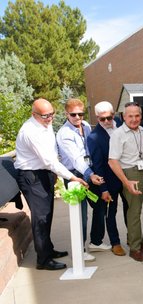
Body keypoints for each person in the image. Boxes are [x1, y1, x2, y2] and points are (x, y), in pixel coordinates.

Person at [14, 98, 88, 270]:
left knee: (48, 214)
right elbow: (48, 160)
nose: (49, 119)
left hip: (44, 172)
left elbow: (52, 154)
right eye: (45, 116)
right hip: (32, 176)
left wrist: (54, 174)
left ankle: (48, 249)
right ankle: (43, 260)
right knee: (41, 218)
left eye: (52, 114)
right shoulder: (30, 131)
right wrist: (71, 177)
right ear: (34, 115)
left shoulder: (45, 125)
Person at [108, 102, 143, 262]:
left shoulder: (141, 129)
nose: (134, 119)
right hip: (131, 172)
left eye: (137, 115)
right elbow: (112, 161)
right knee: (134, 211)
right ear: (123, 117)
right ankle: (135, 248)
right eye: (130, 116)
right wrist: (126, 182)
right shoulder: (117, 134)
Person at [56, 98, 105, 262]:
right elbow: (76, 158)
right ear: (66, 114)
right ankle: (80, 249)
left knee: (99, 204)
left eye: (81, 114)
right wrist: (90, 174)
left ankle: (96, 242)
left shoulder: (86, 126)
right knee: (80, 214)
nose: (78, 117)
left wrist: (93, 172)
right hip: (74, 175)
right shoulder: (64, 134)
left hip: (90, 170)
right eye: (73, 114)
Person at [87, 101, 128, 256]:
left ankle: (133, 238)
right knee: (111, 213)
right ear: (97, 118)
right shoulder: (94, 138)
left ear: (114, 115)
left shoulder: (120, 124)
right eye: (101, 119)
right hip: (110, 182)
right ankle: (115, 243)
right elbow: (98, 166)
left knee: (130, 210)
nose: (106, 122)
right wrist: (103, 189)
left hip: (128, 176)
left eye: (109, 118)